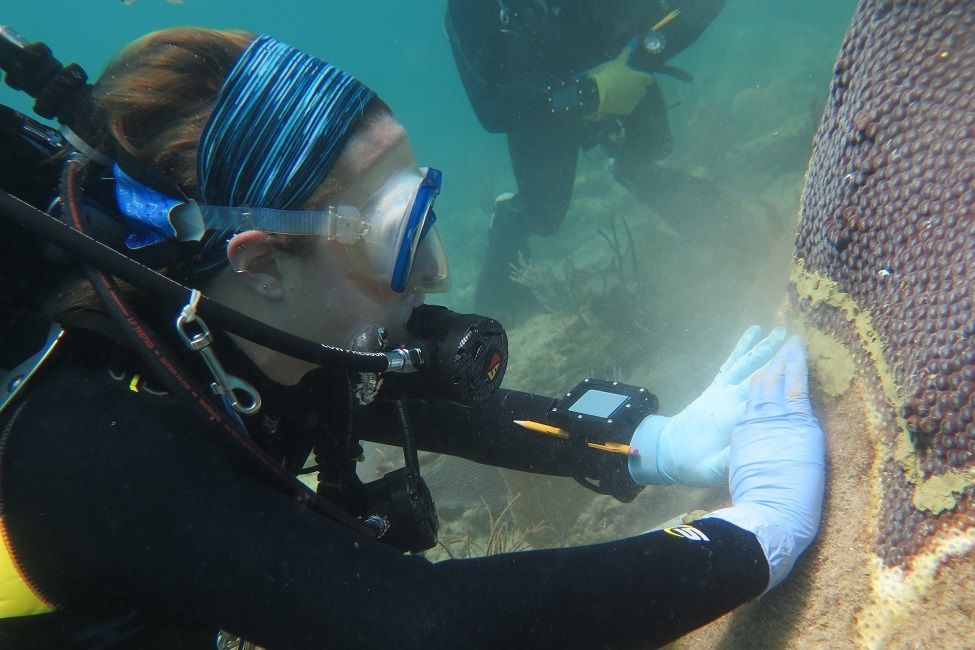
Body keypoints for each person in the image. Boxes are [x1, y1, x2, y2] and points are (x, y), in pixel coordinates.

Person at [0, 27, 825, 649]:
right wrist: (749, 539)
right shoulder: (99, 450)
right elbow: (422, 626)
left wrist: (646, 444)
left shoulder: (230, 329)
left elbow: (399, 397)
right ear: (262, 266)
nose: (434, 272)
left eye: (421, 209)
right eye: (394, 233)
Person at [445, 0, 742, 316]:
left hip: (618, 66)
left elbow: (703, 6)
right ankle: (509, 225)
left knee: (650, 150)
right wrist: (588, 94)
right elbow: (492, 109)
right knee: (543, 213)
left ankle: (716, 229)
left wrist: (646, 54)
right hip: (540, 107)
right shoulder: (470, 9)